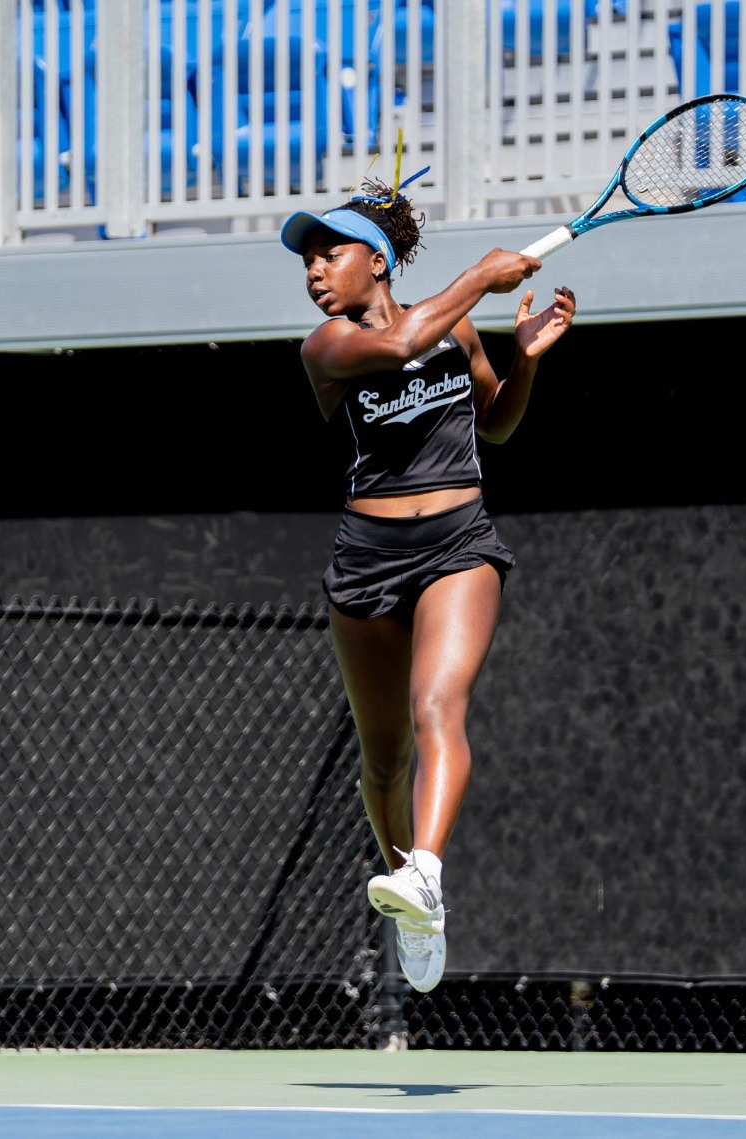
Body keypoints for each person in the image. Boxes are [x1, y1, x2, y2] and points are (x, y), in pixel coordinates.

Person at [278, 171, 576, 994]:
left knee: (437, 706)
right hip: (367, 558)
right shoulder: (327, 347)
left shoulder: (459, 333)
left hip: (458, 543)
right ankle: (416, 901)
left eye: (327, 253)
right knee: (383, 761)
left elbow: (499, 424)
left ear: (375, 261)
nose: (312, 271)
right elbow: (403, 344)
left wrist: (526, 360)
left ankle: (427, 872)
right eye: (305, 261)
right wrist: (480, 275)